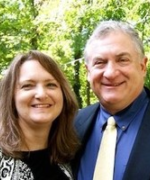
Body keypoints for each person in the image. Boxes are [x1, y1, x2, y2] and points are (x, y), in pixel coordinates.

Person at [72, 20, 150, 180]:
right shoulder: (72, 126)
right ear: (88, 72)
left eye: (122, 60)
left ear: (142, 66)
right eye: (100, 62)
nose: (110, 73)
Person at [0, 50, 80, 180]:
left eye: (51, 85)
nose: (41, 94)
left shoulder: (71, 156)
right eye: (28, 86)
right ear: (11, 97)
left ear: (63, 94)